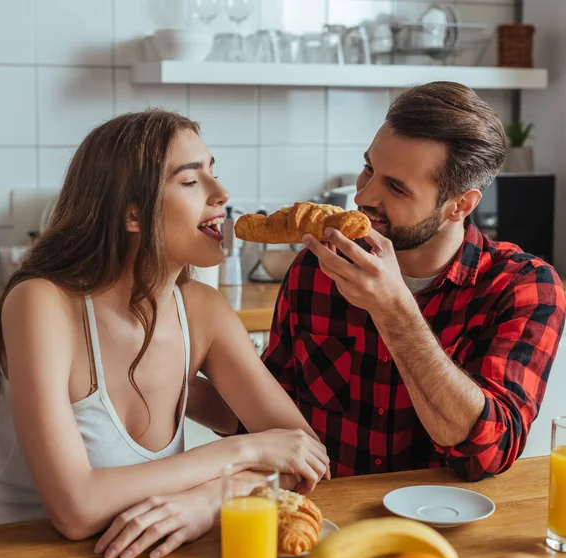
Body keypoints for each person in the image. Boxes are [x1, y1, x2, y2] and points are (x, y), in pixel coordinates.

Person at [0, 110, 330, 558]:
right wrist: (245, 450)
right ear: (132, 213)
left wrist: (210, 499)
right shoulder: (42, 304)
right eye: (191, 181)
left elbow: (304, 453)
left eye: (213, 172)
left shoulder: (203, 312)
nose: (222, 194)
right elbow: (76, 509)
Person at [213, 81, 566, 482]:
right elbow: (267, 422)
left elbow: (485, 455)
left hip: (451, 530)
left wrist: (393, 309)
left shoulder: (524, 287)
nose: (363, 196)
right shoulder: (315, 271)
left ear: (460, 205)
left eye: (396, 187)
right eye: (368, 168)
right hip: (331, 524)